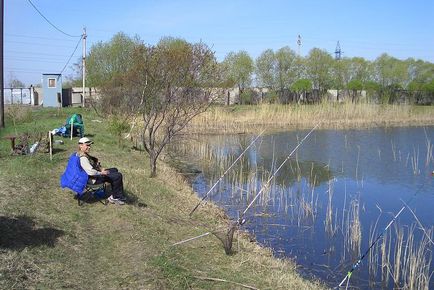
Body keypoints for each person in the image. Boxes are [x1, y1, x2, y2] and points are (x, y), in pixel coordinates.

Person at [77, 137, 126, 205]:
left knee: (115, 170)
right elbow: (90, 172)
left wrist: (100, 168)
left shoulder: (82, 154)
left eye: (90, 145)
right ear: (81, 145)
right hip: (92, 180)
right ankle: (115, 197)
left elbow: (90, 167)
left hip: (93, 176)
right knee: (118, 176)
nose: (89, 147)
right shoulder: (83, 158)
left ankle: (116, 192)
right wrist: (101, 172)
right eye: (87, 145)